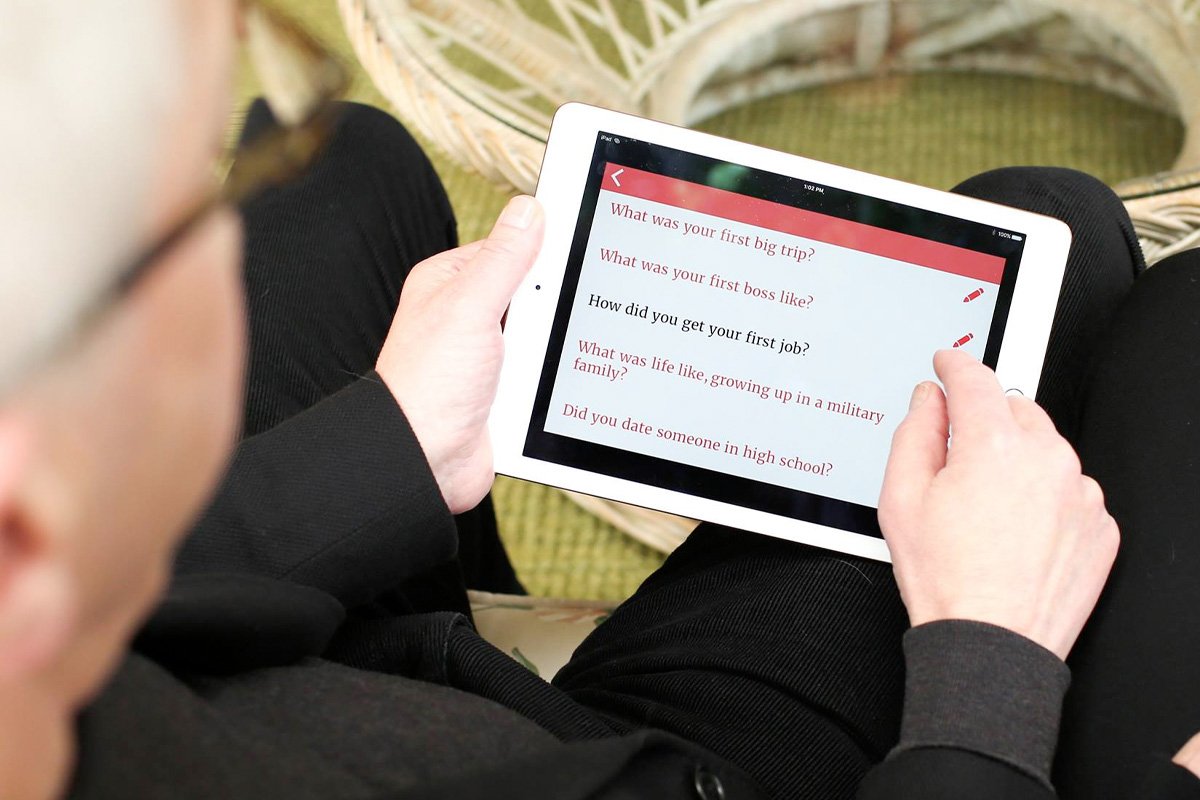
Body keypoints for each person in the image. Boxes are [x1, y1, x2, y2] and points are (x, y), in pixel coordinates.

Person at [2, 1, 1199, 798]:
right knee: (1067, 237)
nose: (219, 234)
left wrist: (386, 448)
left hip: (304, 680)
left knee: (340, 166)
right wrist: (986, 667)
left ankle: (456, 569)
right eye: (177, 226)